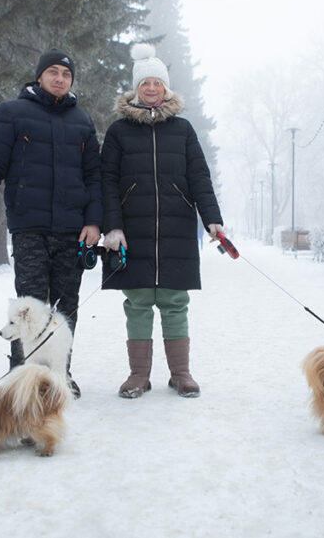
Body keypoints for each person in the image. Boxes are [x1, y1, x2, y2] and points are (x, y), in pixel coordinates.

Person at [0, 49, 101, 398]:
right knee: (30, 307)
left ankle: (60, 374)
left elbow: (95, 177)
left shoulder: (82, 121)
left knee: (65, 309)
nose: (59, 79)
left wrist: (94, 221)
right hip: (30, 228)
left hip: (72, 230)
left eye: (66, 75)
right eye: (52, 72)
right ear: (39, 76)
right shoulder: (12, 113)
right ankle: (22, 375)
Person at [100, 43, 224, 399]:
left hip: (175, 229)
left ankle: (181, 373)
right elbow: (107, 180)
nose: (151, 88)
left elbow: (199, 176)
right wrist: (113, 226)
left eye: (157, 83)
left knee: (174, 302)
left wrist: (212, 219)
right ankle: (138, 375)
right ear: (135, 89)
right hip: (132, 231)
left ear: (166, 88)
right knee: (137, 301)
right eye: (144, 83)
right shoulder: (119, 132)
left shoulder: (183, 130)